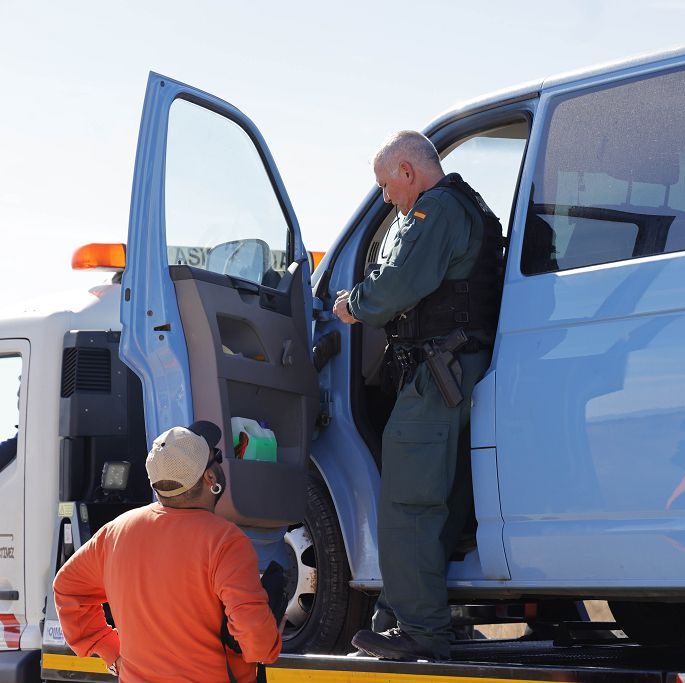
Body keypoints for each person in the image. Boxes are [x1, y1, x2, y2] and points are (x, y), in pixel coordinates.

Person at [335, 131, 503, 661]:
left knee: (408, 500)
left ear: (408, 171)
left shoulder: (436, 210)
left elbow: (395, 289)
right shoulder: (465, 207)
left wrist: (352, 304)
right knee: (443, 501)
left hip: (437, 371)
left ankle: (420, 630)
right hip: (456, 367)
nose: (387, 198)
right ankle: (401, 617)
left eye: (386, 185)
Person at [53, 421, 282, 683]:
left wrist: (110, 650)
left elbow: (67, 587)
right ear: (210, 479)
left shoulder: (116, 532)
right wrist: (270, 641)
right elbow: (257, 641)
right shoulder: (225, 541)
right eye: (216, 458)